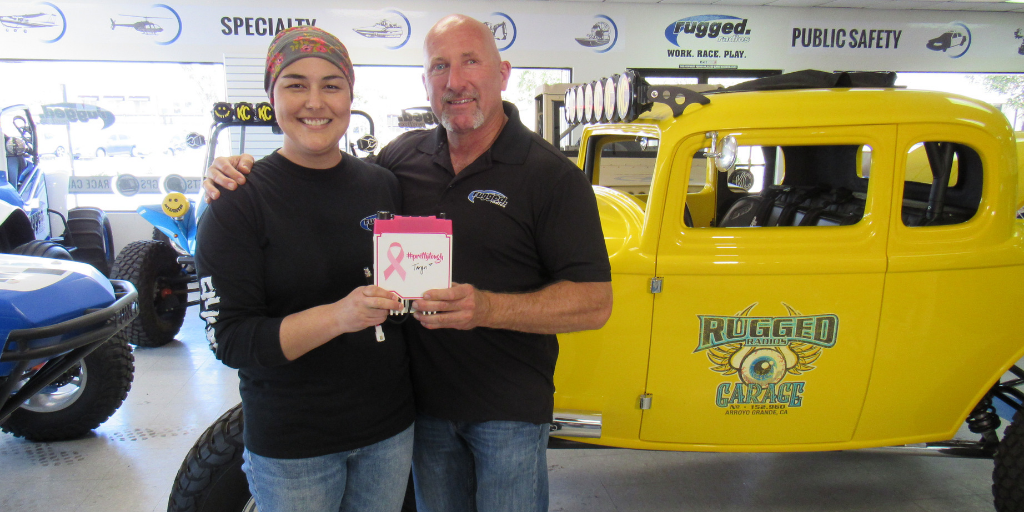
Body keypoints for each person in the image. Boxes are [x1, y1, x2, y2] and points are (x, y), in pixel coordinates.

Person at [205, 15, 613, 512]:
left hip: (503, 412)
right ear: (425, 82)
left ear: (503, 73)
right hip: (416, 415)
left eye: (470, 62)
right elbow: (316, 192)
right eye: (440, 66)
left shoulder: (552, 176)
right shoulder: (398, 164)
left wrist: (486, 308)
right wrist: (232, 169)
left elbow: (595, 304)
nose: (455, 81)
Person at [196, 26, 414, 512]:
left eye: (331, 85)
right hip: (294, 445)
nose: (315, 101)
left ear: (350, 96)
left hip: (389, 431)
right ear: (271, 95)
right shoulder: (237, 200)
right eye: (295, 84)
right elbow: (230, 340)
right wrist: (340, 316)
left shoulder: (383, 185)